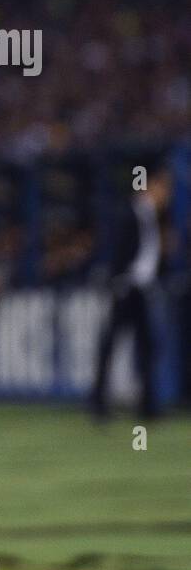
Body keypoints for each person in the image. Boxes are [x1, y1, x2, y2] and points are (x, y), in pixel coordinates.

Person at [92, 165, 172, 419]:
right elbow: (118, 249)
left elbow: (151, 255)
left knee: (148, 347)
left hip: (144, 289)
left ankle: (148, 407)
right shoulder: (129, 212)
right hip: (127, 287)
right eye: (163, 188)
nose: (166, 195)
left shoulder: (154, 217)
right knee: (112, 345)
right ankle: (98, 404)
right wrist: (117, 282)